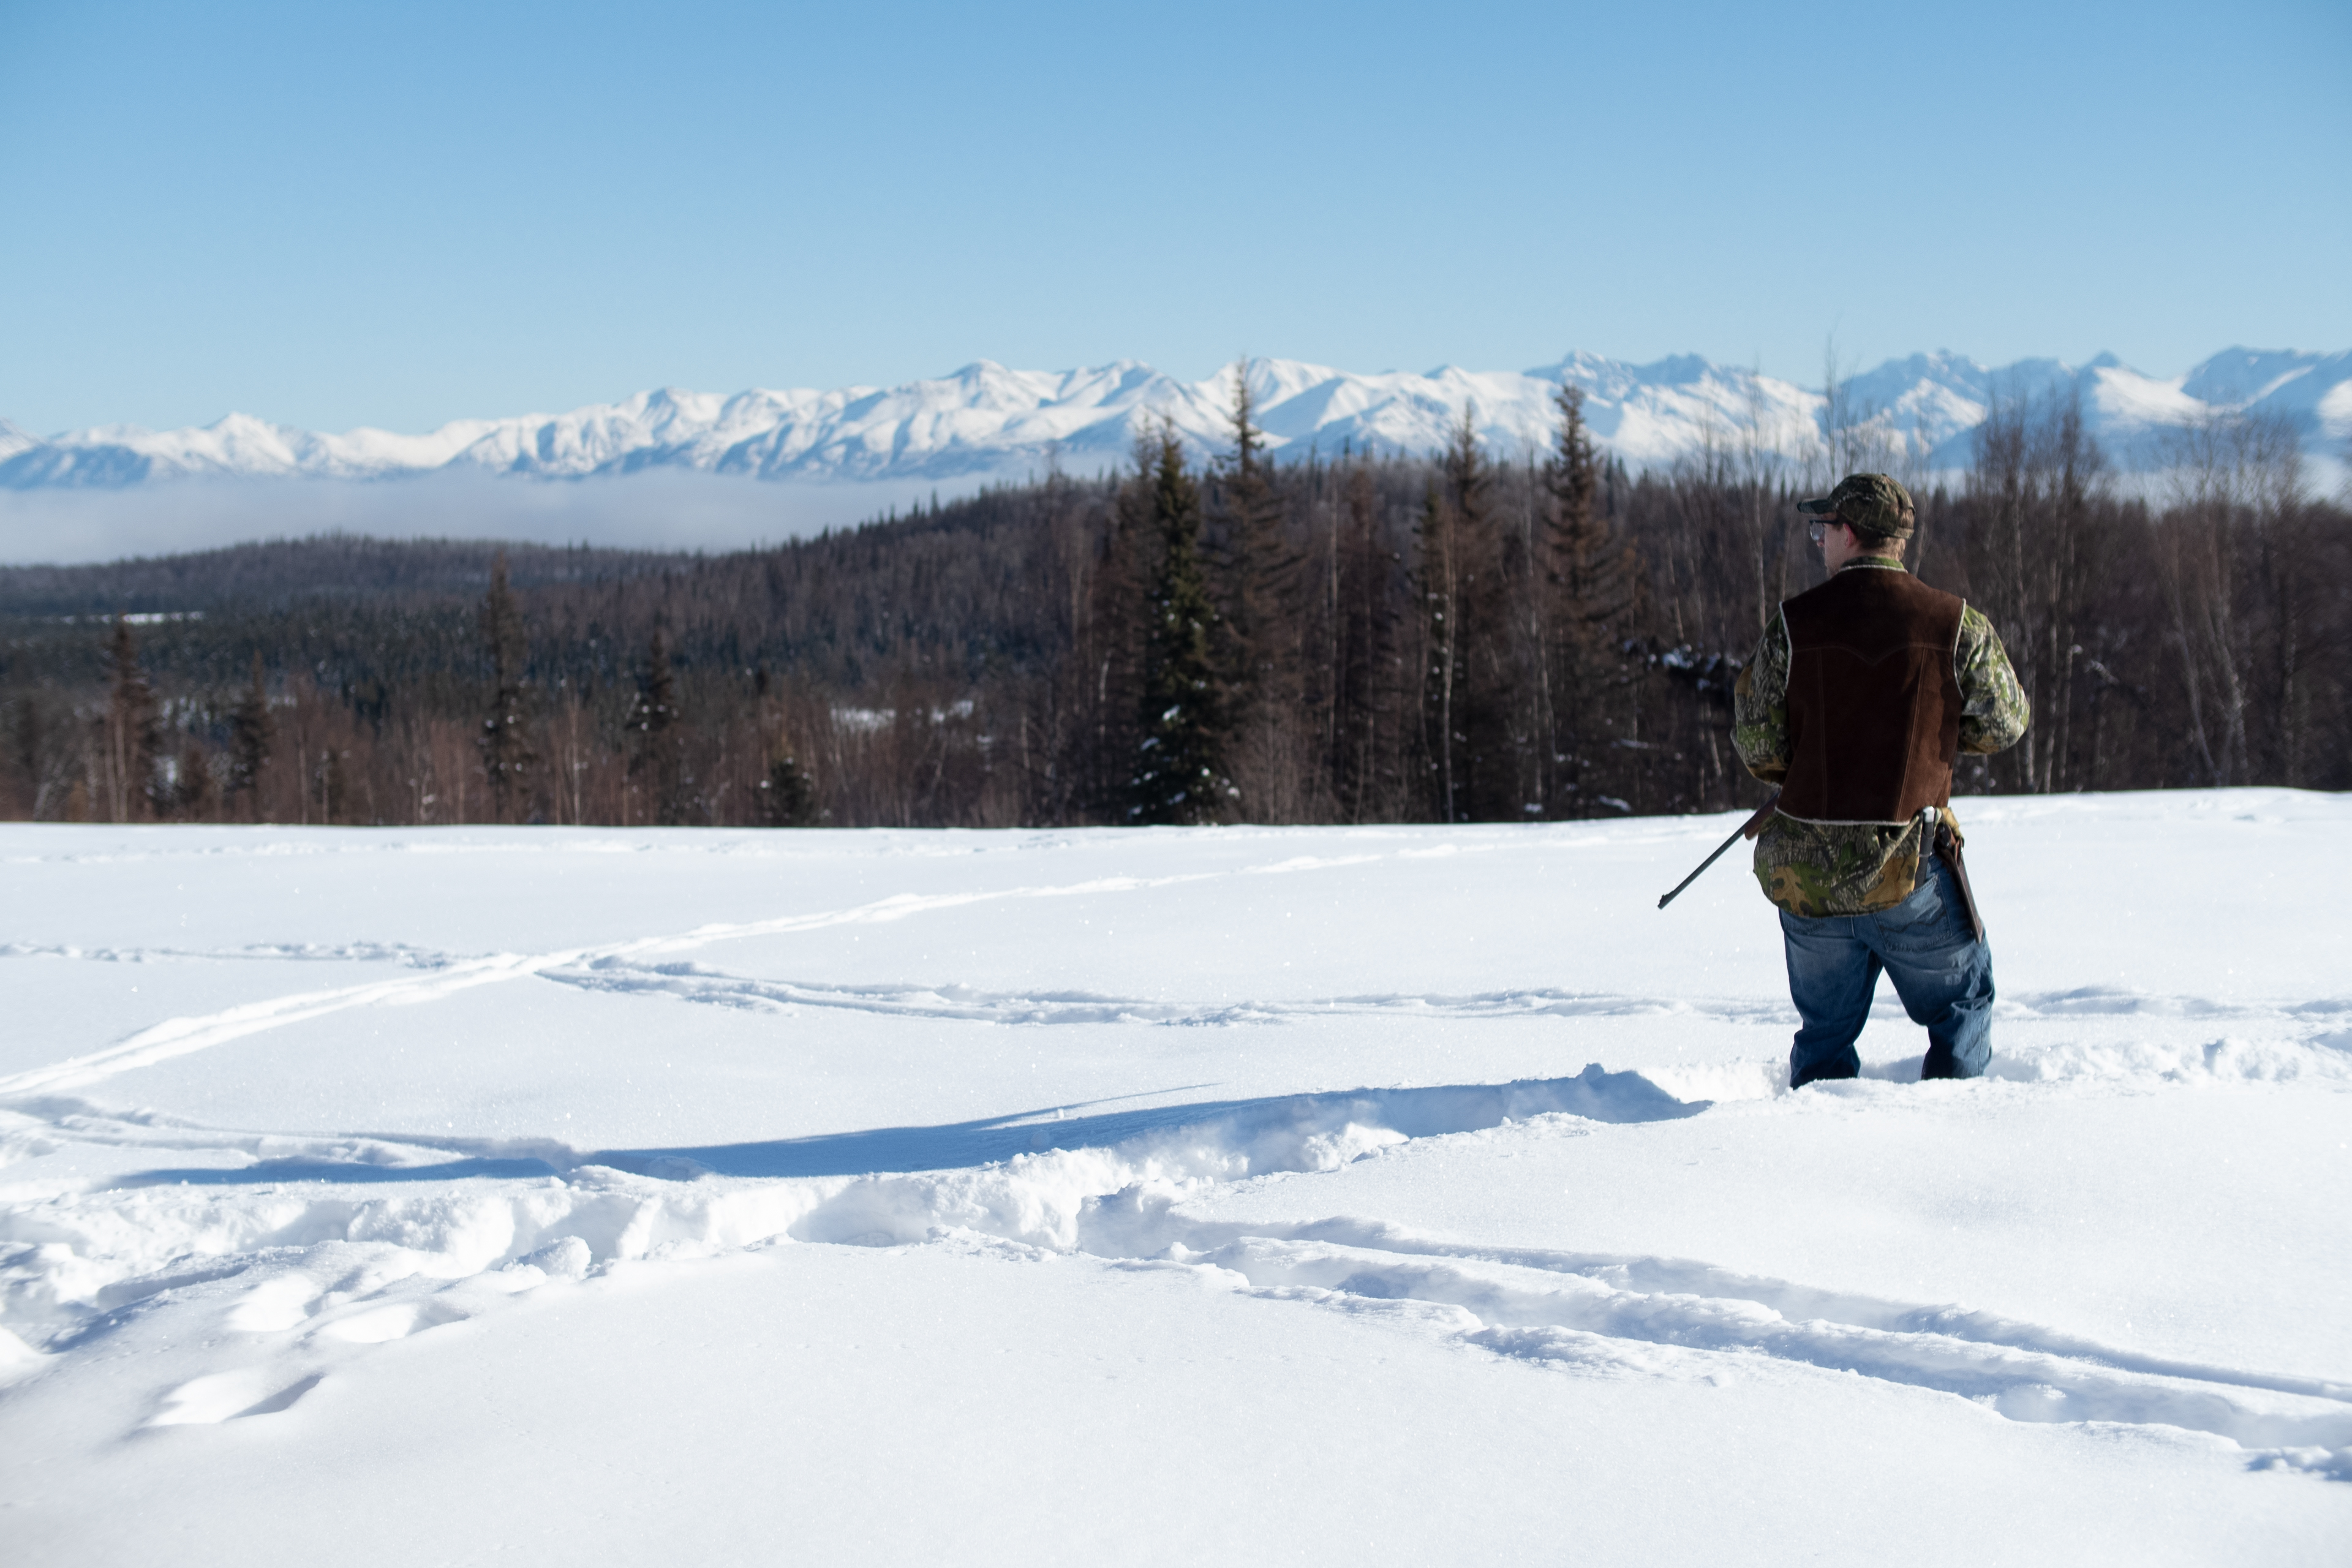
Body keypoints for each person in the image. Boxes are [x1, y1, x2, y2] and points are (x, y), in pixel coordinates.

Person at [1731, 473, 2030, 1088]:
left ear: (1849, 532)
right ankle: (1955, 1143)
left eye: (1823, 529)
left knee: (1825, 1036)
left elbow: (1756, 740)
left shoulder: (1793, 623)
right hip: (1911, 869)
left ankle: (1820, 1155)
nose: (1818, 541)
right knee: (1961, 1008)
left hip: (1808, 879)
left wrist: (1810, 767)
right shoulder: (1956, 624)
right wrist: (1936, 744)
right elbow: (2007, 724)